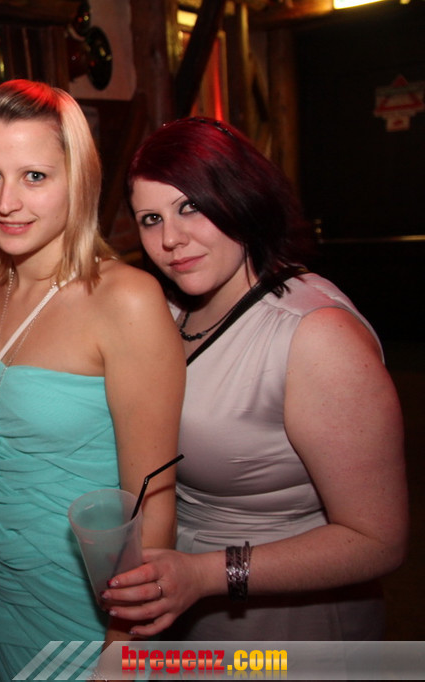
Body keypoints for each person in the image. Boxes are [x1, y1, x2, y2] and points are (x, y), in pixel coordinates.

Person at [103, 116, 407, 640]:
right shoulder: (171, 310)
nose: (171, 238)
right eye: (151, 219)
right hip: (189, 609)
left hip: (289, 628)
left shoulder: (316, 337)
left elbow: (378, 541)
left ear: (241, 197)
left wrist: (205, 574)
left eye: (191, 207)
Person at [0, 79, 185, 679]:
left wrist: (122, 649)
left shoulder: (125, 300)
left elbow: (154, 504)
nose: (7, 202)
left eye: (35, 176)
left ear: (78, 181)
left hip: (86, 609)